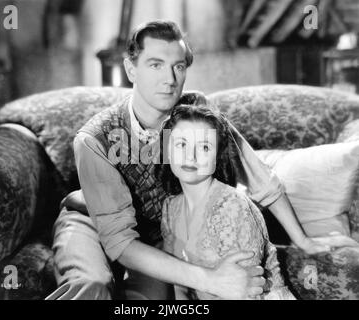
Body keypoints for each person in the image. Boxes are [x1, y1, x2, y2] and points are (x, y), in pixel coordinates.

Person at [45, 20, 347, 300]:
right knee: (92, 284)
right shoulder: (94, 138)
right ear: (131, 69)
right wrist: (211, 280)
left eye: (178, 66)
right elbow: (119, 242)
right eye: (155, 65)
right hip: (92, 221)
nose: (169, 79)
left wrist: (303, 240)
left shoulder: (195, 110)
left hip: (155, 234)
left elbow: (258, 177)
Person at [156, 104, 295, 300]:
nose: (190, 156)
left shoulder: (233, 207)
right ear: (168, 150)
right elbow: (178, 282)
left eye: (204, 147)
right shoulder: (171, 208)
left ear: (217, 157)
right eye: (181, 144)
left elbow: (246, 292)